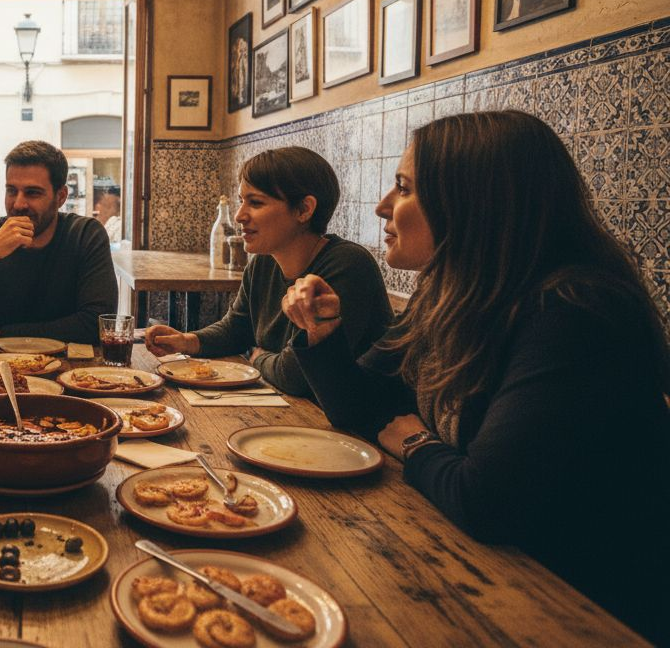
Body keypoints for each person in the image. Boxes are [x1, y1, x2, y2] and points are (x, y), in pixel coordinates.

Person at [283, 111, 670, 644]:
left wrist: (415, 441)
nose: (382, 207)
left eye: (403, 188)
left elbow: (486, 499)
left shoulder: (575, 312)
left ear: (473, 202)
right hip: (487, 569)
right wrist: (323, 334)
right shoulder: (456, 292)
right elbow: (361, 408)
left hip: (579, 608)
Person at [145, 147, 390, 397]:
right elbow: (237, 329)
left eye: (256, 202)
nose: (240, 215)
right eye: (242, 200)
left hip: (352, 427)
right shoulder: (263, 263)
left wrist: (256, 357)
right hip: (295, 409)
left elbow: (297, 375)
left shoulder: (347, 265)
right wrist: (187, 341)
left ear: (304, 209)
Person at [0, 140, 116, 346]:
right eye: (11, 191)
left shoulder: (85, 235)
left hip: (74, 372)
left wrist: (10, 335)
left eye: (32, 193)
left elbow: (98, 324)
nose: (18, 204)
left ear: (60, 196)